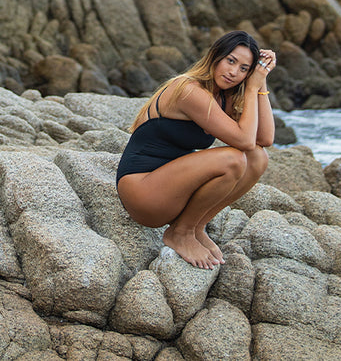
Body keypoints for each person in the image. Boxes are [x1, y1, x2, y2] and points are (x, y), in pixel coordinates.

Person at [116, 30, 275, 270]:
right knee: (233, 159)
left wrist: (260, 82)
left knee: (257, 158)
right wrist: (251, 89)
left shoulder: (222, 96)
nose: (234, 72)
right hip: (143, 192)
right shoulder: (188, 90)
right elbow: (243, 140)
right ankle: (180, 233)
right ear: (215, 56)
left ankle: (195, 227)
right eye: (230, 61)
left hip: (173, 188)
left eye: (244, 69)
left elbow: (264, 139)